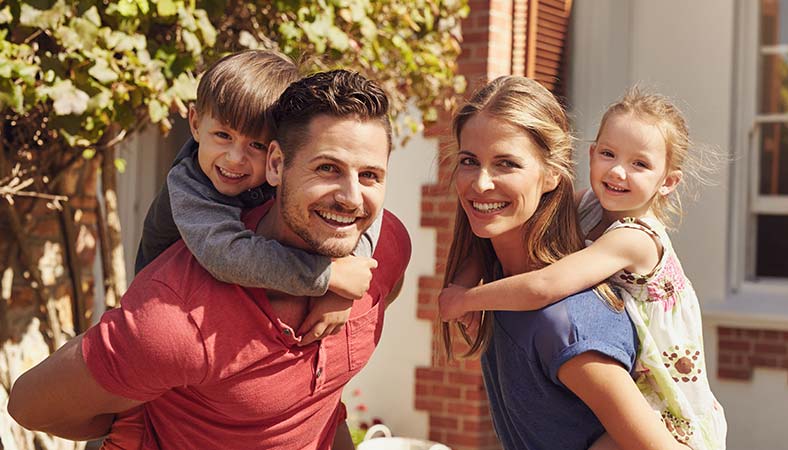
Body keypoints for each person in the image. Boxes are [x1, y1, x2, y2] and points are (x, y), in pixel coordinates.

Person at [8, 69, 411, 450]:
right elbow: (29, 405)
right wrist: (138, 418)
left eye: (371, 176)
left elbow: (319, 397)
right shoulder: (176, 319)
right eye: (327, 168)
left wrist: (340, 289)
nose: (352, 197)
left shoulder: (385, 247)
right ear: (276, 164)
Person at [440, 87, 727, 450]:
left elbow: (544, 285)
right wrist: (461, 285)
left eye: (640, 164)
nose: (619, 171)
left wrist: (467, 300)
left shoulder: (633, 240)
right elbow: (488, 234)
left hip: (669, 402)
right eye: (608, 154)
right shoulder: (588, 206)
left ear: (668, 181)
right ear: (591, 155)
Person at [136, 49, 379, 342]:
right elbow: (228, 255)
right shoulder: (189, 185)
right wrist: (329, 278)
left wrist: (352, 271)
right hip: (163, 311)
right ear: (196, 123)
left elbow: (361, 212)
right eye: (223, 136)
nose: (235, 159)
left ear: (278, 151)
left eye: (257, 146)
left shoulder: (282, 172)